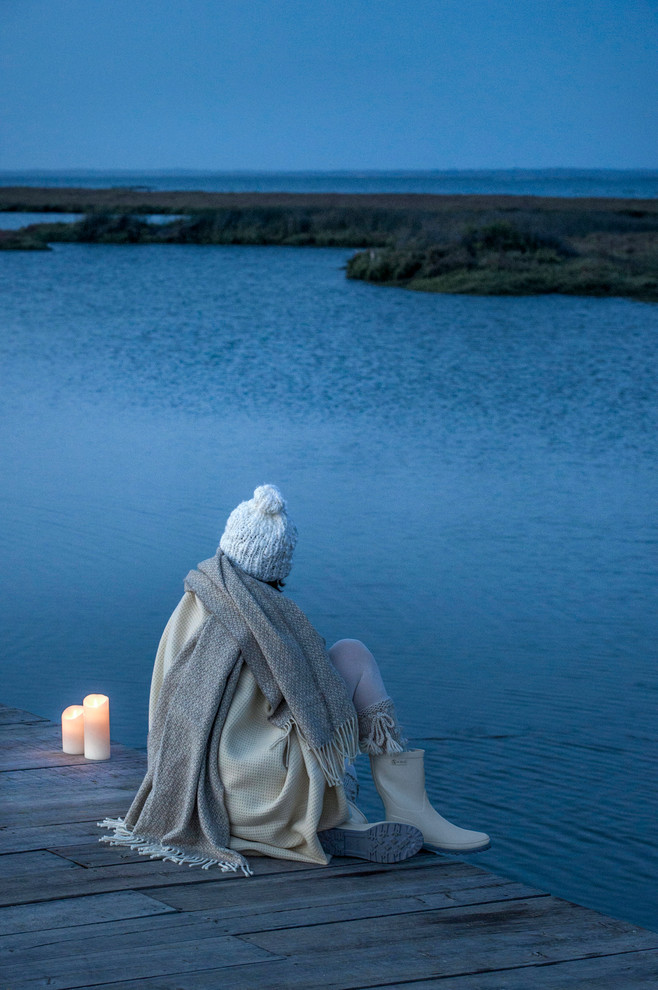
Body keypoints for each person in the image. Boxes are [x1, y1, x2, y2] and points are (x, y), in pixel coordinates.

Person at [99, 485, 489, 876]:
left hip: (197, 789)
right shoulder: (262, 619)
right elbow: (302, 710)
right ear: (278, 567)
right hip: (262, 796)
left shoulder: (195, 597)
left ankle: (335, 824)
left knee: (319, 707)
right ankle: (387, 810)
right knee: (352, 658)